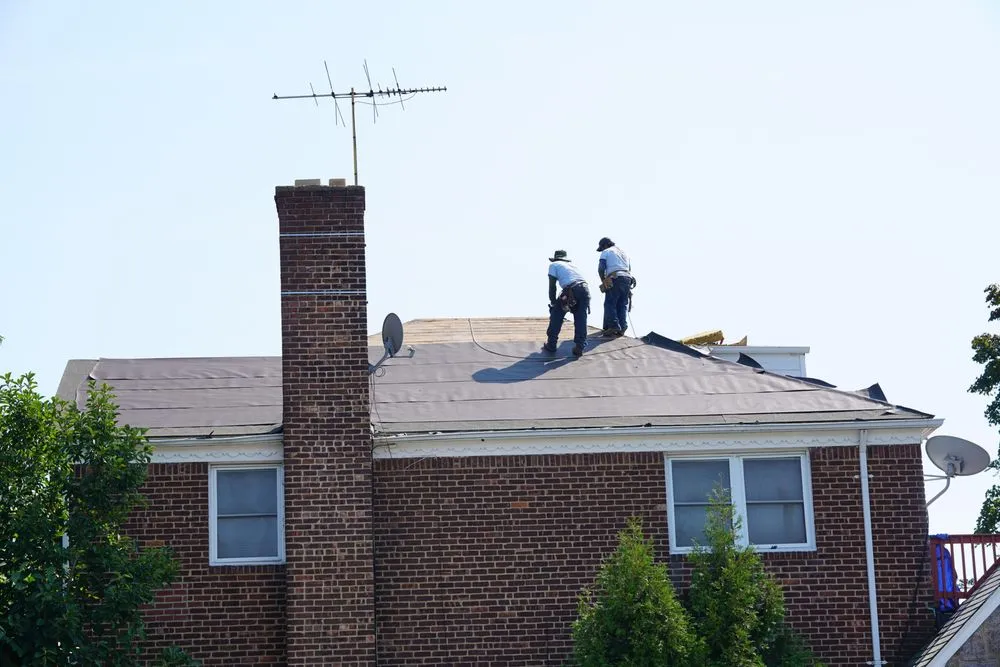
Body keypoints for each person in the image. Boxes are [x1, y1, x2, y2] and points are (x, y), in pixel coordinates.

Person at [544, 249, 590, 356]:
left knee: (557, 314)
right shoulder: (573, 266)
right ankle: (580, 345)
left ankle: (551, 344)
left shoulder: (554, 265)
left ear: (555, 258)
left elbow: (552, 286)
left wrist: (553, 302)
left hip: (571, 290)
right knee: (580, 318)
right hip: (585, 290)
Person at [596, 237, 632, 337]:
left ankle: (614, 326)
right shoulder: (624, 253)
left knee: (610, 303)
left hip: (615, 278)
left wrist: (604, 281)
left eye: (602, 248)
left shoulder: (606, 251)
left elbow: (601, 268)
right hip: (627, 278)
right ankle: (622, 327)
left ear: (605, 245)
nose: (602, 250)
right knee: (622, 303)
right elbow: (629, 268)